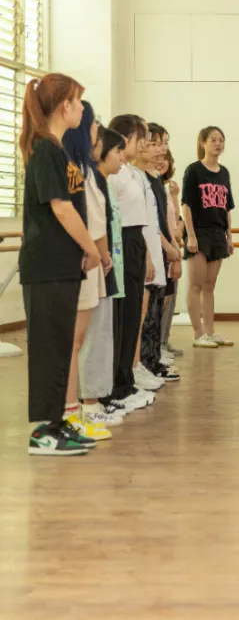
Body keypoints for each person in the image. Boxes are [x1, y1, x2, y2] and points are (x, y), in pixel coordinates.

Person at [19, 74, 100, 455]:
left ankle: (57, 421)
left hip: (63, 265)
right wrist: (91, 247)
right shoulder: (44, 148)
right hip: (47, 266)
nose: (82, 109)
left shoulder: (57, 148)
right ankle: (43, 431)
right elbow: (61, 208)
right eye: (78, 102)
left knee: (61, 344)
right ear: (64, 105)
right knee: (49, 347)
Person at [60, 104, 114, 442]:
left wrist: (102, 252)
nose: (96, 129)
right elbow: (87, 220)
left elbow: (98, 218)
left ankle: (73, 411)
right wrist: (99, 252)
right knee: (72, 342)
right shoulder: (72, 167)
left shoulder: (86, 169)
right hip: (81, 260)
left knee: (78, 341)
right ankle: (68, 413)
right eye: (93, 123)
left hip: (91, 260)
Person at [104, 115, 156, 414]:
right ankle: (115, 386)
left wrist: (145, 253)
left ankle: (126, 381)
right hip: (120, 241)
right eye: (141, 137)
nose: (145, 143)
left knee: (133, 313)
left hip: (134, 240)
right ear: (125, 139)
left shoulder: (132, 173)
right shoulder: (114, 174)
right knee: (121, 316)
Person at [80, 127, 127, 430]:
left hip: (105, 264)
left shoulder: (101, 182)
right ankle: (89, 403)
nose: (121, 158)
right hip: (95, 265)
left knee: (101, 335)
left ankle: (95, 398)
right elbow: (95, 225)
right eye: (118, 151)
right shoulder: (91, 178)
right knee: (92, 336)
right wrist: (103, 253)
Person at [182, 126, 235, 348]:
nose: (218, 144)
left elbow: (227, 208)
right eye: (213, 140)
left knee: (210, 286)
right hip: (199, 232)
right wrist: (191, 236)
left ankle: (210, 332)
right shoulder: (194, 170)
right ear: (203, 143)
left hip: (217, 232)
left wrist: (229, 236)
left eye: (221, 140)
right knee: (196, 285)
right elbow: (186, 205)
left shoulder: (224, 173)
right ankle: (198, 334)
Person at [137, 124, 181, 385]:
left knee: (156, 308)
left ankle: (152, 359)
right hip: (148, 252)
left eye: (164, 143)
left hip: (160, 250)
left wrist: (171, 246)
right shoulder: (137, 177)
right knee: (145, 312)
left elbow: (161, 222)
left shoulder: (155, 180)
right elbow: (145, 223)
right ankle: (143, 363)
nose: (162, 149)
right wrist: (167, 247)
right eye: (155, 143)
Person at [158, 148, 184, 361]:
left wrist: (175, 196)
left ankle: (164, 341)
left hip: (172, 246)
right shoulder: (152, 187)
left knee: (170, 298)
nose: (162, 161)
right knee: (161, 300)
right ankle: (156, 346)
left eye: (165, 158)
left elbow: (176, 218)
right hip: (162, 247)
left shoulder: (167, 188)